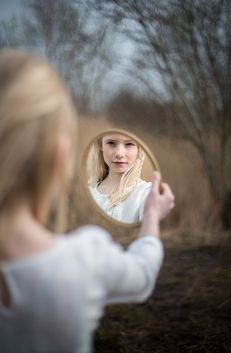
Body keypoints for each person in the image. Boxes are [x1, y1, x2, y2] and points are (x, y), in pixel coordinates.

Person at [0, 48, 175, 353]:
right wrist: (151, 219)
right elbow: (143, 273)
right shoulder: (83, 260)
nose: (120, 153)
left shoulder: (137, 192)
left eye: (128, 146)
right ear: (59, 155)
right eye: (112, 145)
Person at [88, 134, 152, 224]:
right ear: (101, 145)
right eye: (111, 143)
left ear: (139, 148)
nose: (119, 154)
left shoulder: (146, 192)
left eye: (129, 144)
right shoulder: (89, 190)